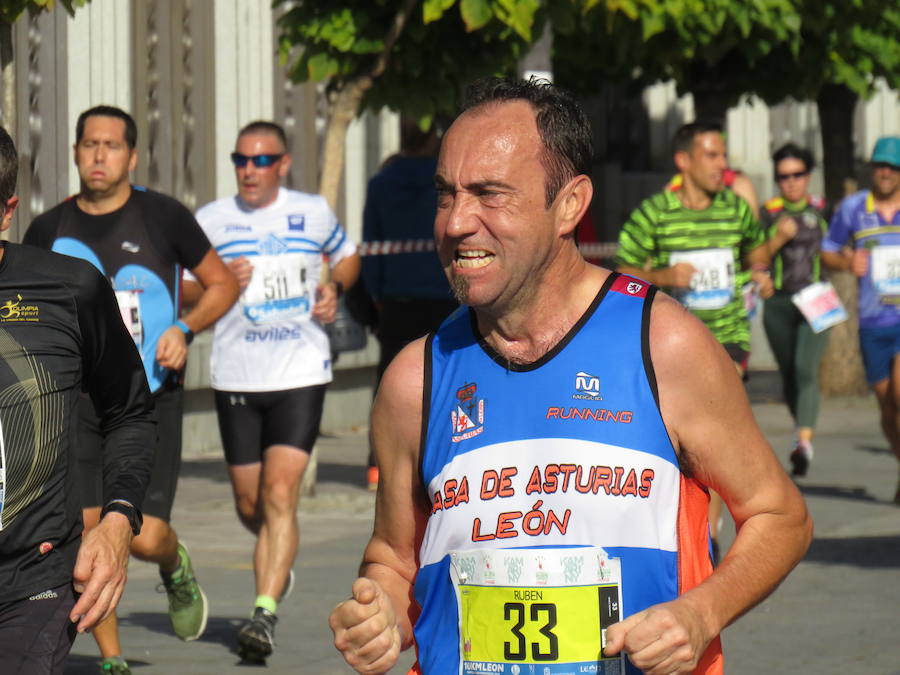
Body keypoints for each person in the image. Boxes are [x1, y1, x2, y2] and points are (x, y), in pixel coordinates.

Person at [329, 78, 812, 675]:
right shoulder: (415, 378)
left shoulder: (662, 344)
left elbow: (779, 515)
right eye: (446, 195)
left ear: (570, 205)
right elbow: (395, 559)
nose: (456, 223)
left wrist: (701, 613)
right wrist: (379, 616)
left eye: (489, 194)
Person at [24, 106, 239, 673]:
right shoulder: (47, 231)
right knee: (89, 532)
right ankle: (112, 658)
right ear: (73, 152)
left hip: (146, 399)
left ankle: (174, 565)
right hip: (74, 403)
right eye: (89, 144)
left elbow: (221, 283)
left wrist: (185, 328)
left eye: (111, 145)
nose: (99, 155)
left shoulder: (163, 216)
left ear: (132, 156)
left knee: (145, 537)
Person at [192, 120, 360, 662]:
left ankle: (263, 611)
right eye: (240, 159)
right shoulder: (212, 220)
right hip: (238, 374)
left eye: (260, 160)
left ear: (282, 164)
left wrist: (335, 286)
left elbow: (348, 255)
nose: (248, 170)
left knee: (280, 494)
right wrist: (219, 283)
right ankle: (276, 561)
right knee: (251, 505)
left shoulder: (311, 212)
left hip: (300, 370)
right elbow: (184, 286)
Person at [0, 125, 156, 674]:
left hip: (31, 580)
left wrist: (117, 522)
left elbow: (130, 412)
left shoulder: (68, 289)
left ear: (6, 211)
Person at [615, 121, 773, 554]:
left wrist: (760, 274)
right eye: (712, 155)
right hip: (674, 345)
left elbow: (757, 249)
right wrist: (663, 276)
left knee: (715, 433)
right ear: (683, 161)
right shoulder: (656, 213)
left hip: (727, 336)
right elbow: (622, 269)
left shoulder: (735, 210)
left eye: (724, 155)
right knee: (685, 438)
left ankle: (710, 531)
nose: (723, 165)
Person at [361, 119, 457, 489]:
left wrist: (378, 294)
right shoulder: (443, 183)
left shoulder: (381, 183)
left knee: (388, 382)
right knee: (446, 382)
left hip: (397, 298)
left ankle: (379, 465)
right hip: (443, 296)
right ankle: (442, 458)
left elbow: (372, 248)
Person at [821, 135, 900, 503]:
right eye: (880, 165)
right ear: (872, 169)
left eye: (893, 167)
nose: (885, 172)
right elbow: (829, 251)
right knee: (888, 409)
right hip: (873, 324)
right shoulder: (854, 208)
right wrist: (847, 263)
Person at [761, 143, 830, 477]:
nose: (790, 182)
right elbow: (755, 257)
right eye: (783, 176)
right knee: (789, 373)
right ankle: (799, 430)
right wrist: (776, 240)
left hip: (816, 301)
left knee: (805, 367)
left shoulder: (823, 211)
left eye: (797, 175)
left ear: (808, 176)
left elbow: (838, 251)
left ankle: (804, 443)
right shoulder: (768, 212)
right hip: (778, 303)